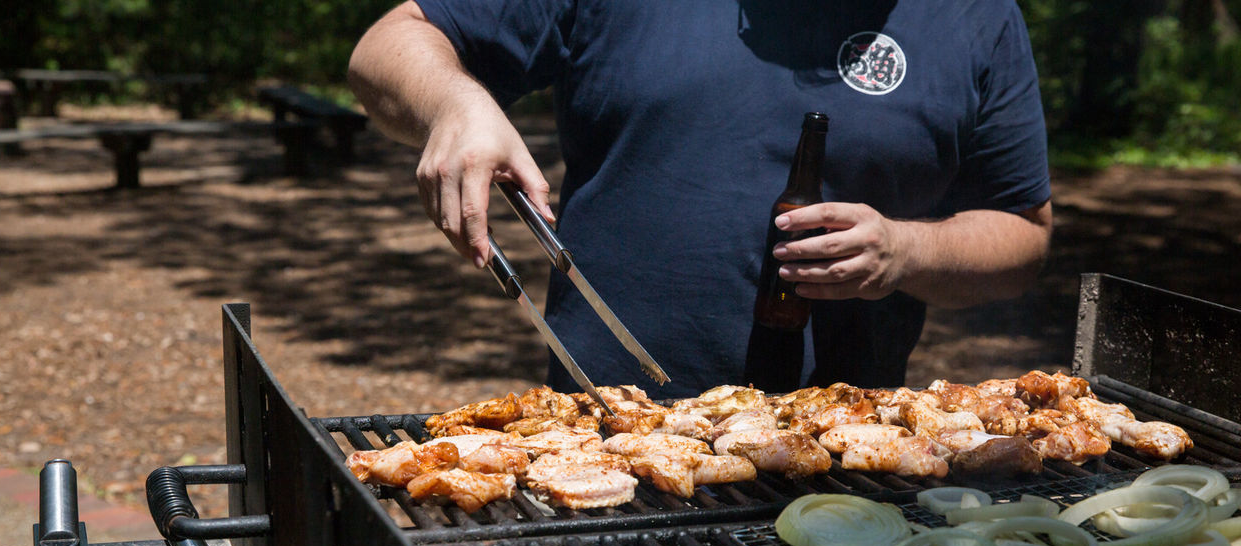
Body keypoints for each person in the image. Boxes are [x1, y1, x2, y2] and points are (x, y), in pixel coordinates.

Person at [348, 1, 1053, 398]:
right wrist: (456, 105)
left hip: (843, 461)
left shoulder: (975, 18)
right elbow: (391, 43)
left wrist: (908, 251)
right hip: (609, 453)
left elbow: (1023, 230)